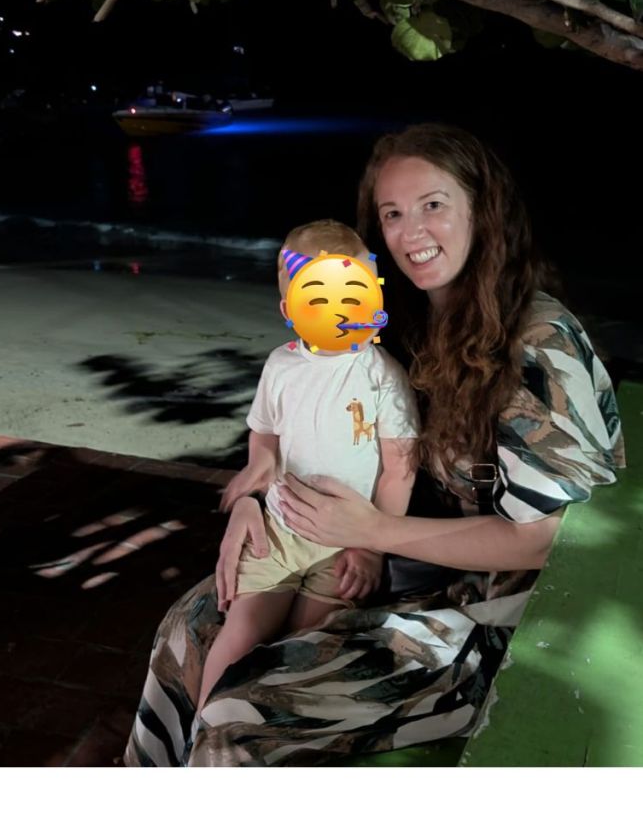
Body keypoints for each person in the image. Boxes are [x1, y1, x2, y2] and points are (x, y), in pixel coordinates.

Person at [124, 123, 624, 768]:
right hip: (387, 560)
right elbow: (307, 431)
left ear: (484, 211)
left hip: (483, 612)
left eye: (434, 205)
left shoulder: (536, 343)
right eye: (393, 213)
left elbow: (540, 538)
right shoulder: (402, 327)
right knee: (191, 626)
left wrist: (372, 532)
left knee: (240, 716)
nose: (412, 231)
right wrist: (257, 500)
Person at [193, 219, 420, 716]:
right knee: (245, 630)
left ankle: (265, 728)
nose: (339, 312)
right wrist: (259, 465)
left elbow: (399, 468)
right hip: (279, 528)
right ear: (290, 310)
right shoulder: (280, 366)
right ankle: (201, 729)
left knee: (305, 642)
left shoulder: (382, 375)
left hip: (343, 541)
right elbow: (265, 431)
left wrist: (371, 546)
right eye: (319, 300)